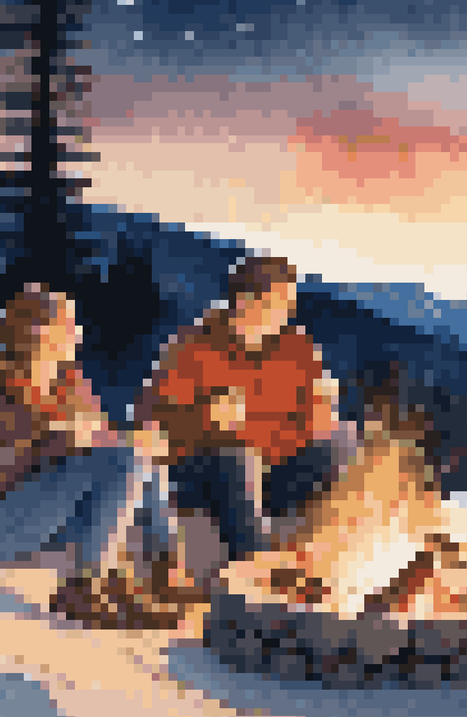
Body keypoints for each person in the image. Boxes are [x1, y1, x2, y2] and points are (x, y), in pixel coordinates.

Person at [0, 284, 179, 627]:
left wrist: (133, 442)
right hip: (2, 519)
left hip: (56, 514)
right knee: (129, 458)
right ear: (38, 332)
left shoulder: (70, 384)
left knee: (143, 460)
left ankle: (152, 576)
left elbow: (102, 447)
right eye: (67, 326)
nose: (76, 335)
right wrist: (64, 440)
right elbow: (0, 472)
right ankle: (82, 589)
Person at [138, 255, 348, 595]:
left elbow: (310, 422)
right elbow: (150, 426)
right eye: (280, 303)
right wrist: (205, 416)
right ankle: (256, 569)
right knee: (237, 455)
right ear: (248, 300)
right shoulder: (194, 346)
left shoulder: (296, 348)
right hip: (203, 471)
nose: (287, 312)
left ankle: (324, 560)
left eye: (289, 304)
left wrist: (272, 436)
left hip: (270, 469)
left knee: (344, 440)